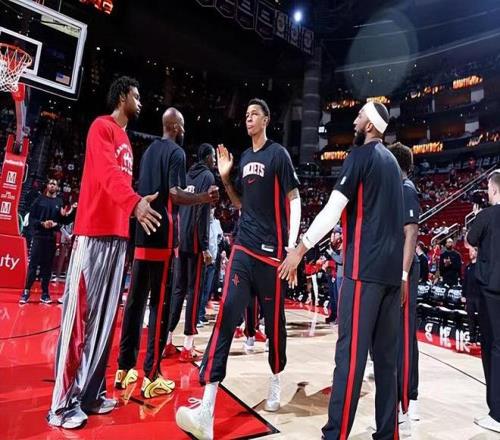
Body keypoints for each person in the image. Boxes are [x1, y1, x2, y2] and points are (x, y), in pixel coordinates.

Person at [175, 98, 301, 439]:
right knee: (227, 315)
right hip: (243, 248)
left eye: (254, 114)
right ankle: (207, 409)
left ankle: (275, 378)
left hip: (272, 256)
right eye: (246, 115)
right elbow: (239, 203)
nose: (248, 118)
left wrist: (292, 246)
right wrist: (226, 178)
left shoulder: (279, 155)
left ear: (267, 119)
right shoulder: (244, 158)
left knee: (275, 326)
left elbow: (294, 199)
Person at [279, 101, 404, 439]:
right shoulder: (393, 164)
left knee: (349, 358)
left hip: (364, 272)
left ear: (371, 125)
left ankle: (335, 434)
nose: (355, 120)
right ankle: (388, 434)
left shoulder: (360, 157)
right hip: (391, 276)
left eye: (360, 115)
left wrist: (301, 248)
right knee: (386, 363)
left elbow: (333, 209)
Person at [47, 76, 162, 429]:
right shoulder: (102, 128)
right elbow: (107, 173)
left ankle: (90, 393)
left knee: (104, 321)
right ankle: (61, 405)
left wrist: (134, 204)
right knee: (79, 320)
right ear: (122, 96)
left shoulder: (126, 140)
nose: (140, 102)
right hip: (93, 233)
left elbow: (119, 185)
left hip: (117, 237)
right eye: (136, 96)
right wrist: (134, 203)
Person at [115, 110, 218, 398]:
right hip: (161, 233)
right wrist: (203, 197)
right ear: (173, 125)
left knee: (135, 301)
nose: (184, 130)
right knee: (159, 304)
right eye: (182, 125)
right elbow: (174, 194)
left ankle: (124, 368)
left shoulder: (148, 152)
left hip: (142, 230)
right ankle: (151, 376)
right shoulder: (176, 152)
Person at [164, 143, 217, 362]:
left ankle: (167, 341)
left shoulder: (186, 175)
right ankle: (187, 345)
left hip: (180, 239)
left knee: (177, 290)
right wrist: (204, 246)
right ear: (207, 157)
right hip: (194, 240)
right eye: (213, 157)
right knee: (194, 292)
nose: (215, 161)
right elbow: (202, 213)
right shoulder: (208, 178)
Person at [388, 142, 421, 423]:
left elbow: (411, 234)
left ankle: (405, 406)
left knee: (405, 337)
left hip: (405, 270)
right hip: (398, 267)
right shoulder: (397, 189)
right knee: (401, 336)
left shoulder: (406, 189)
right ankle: (408, 396)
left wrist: (403, 276)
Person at [466, 169, 500, 433]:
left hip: (491, 291)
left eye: (489, 189)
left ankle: (496, 413)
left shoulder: (486, 215)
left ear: (495, 189)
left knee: (493, 349)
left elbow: (470, 239)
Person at [19, 179, 76, 304]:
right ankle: (26, 291)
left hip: (51, 239)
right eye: (50, 183)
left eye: (54, 184)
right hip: (38, 237)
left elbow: (64, 221)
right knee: (33, 265)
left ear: (57, 188)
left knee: (47, 267)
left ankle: (45, 293)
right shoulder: (39, 200)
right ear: (47, 186)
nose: (52, 185)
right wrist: (42, 224)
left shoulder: (59, 202)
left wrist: (72, 211)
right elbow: (32, 219)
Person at [198, 208, 223, 326]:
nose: (212, 211)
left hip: (213, 260)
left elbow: (219, 238)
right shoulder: (203, 223)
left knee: (207, 290)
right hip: (204, 260)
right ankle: (197, 316)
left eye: (213, 209)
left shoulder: (216, 223)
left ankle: (201, 314)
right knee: (202, 289)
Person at [462, 245, 480, 346]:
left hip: (479, 297)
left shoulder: (480, 267)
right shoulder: (468, 267)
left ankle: (481, 339)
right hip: (469, 297)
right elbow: (465, 282)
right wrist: (463, 295)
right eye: (469, 251)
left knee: (481, 319)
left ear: (477, 252)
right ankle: (472, 339)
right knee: (470, 318)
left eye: (472, 251)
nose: (470, 253)